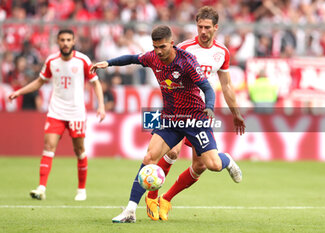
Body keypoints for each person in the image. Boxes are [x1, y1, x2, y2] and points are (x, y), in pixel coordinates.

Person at [90, 25, 242, 223]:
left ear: (172, 44)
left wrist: (210, 107)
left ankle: (226, 160)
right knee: (149, 157)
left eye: (162, 47)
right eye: (155, 47)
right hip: (170, 118)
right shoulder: (152, 57)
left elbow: (207, 88)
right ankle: (130, 210)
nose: (159, 51)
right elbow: (132, 58)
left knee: (211, 164)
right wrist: (108, 63)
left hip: (195, 118)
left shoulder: (187, 61)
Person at [8, 29, 106, 201]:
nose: (66, 43)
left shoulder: (83, 60)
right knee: (48, 147)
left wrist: (101, 105)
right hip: (56, 111)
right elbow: (40, 81)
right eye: (62, 40)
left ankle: (81, 189)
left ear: (74, 41)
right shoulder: (52, 61)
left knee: (79, 150)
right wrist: (19, 92)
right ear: (58, 42)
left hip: (76, 113)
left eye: (69, 40)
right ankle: (41, 188)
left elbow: (95, 83)